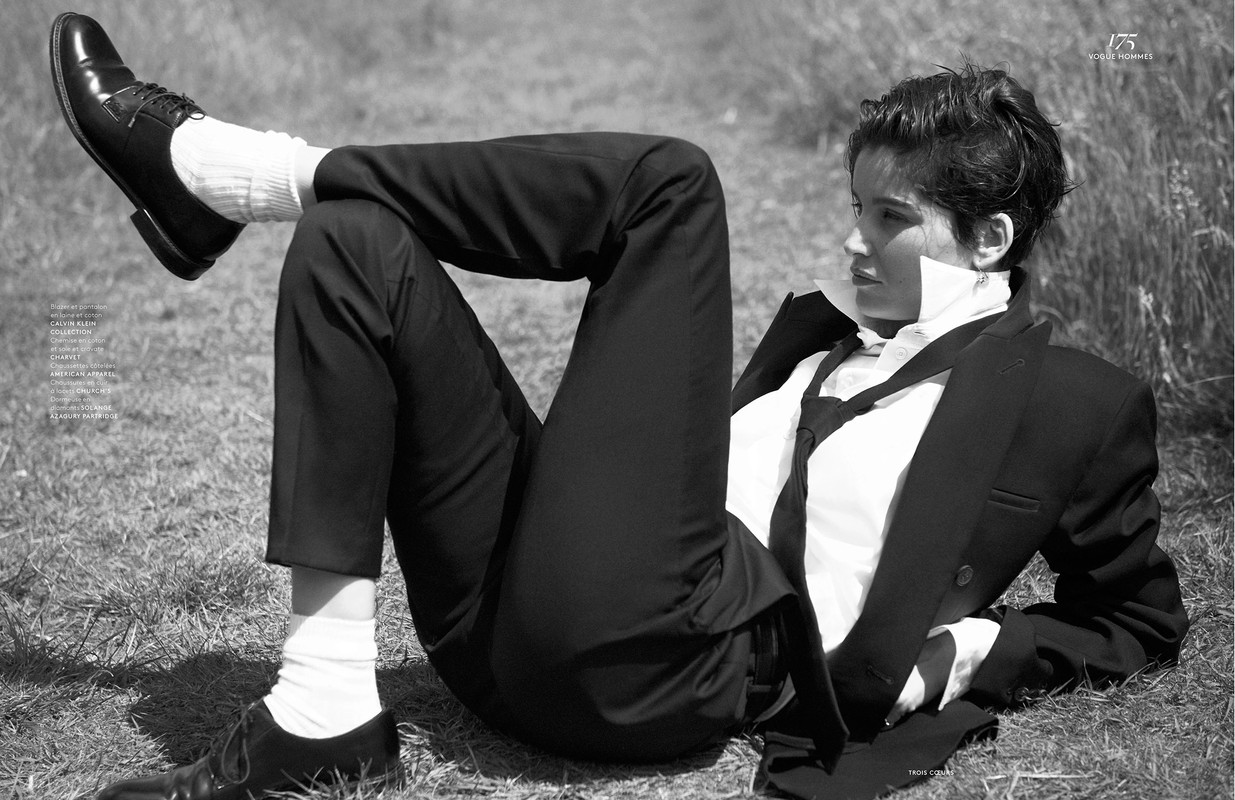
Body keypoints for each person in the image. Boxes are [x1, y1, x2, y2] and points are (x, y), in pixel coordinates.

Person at [50, 12, 1188, 800]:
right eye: (856, 208)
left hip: (666, 667)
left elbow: (1136, 620)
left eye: (890, 219)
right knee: (352, 244)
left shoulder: (1074, 402)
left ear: (989, 238)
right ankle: (325, 705)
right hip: (509, 631)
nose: (854, 242)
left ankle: (224, 173)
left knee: (668, 186)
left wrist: (959, 651)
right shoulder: (829, 345)